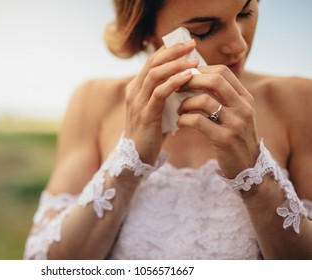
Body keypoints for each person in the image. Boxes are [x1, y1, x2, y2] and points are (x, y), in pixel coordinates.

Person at [23, 0, 312, 259]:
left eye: (245, 11)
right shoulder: (93, 101)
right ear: (147, 32)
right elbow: (44, 262)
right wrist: (129, 162)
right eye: (205, 29)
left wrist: (253, 172)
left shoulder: (299, 100)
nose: (238, 45)